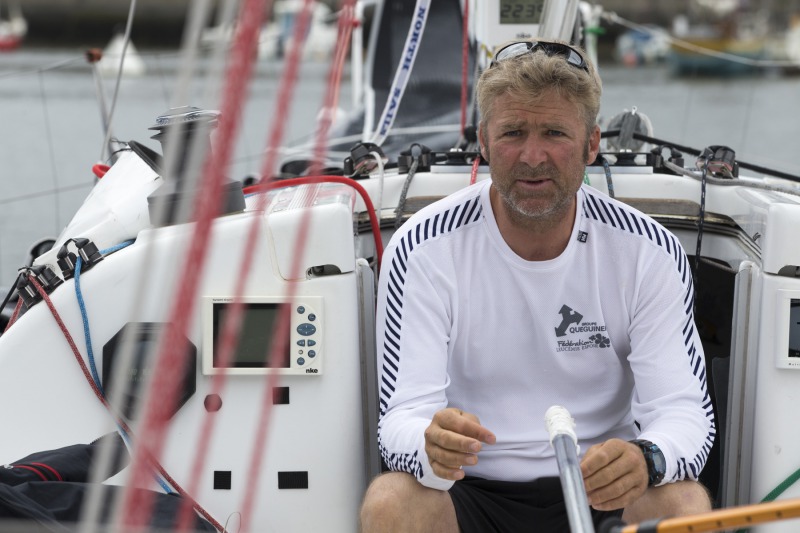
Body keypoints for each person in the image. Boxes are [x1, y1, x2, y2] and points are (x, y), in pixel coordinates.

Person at [359, 39, 715, 532]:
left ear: (592, 144)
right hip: (469, 489)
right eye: (512, 132)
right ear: (482, 140)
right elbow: (401, 417)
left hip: (603, 490)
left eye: (554, 132)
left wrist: (648, 459)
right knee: (392, 501)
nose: (532, 156)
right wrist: (429, 442)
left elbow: (683, 412)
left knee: (683, 504)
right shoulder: (423, 246)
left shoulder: (647, 251)